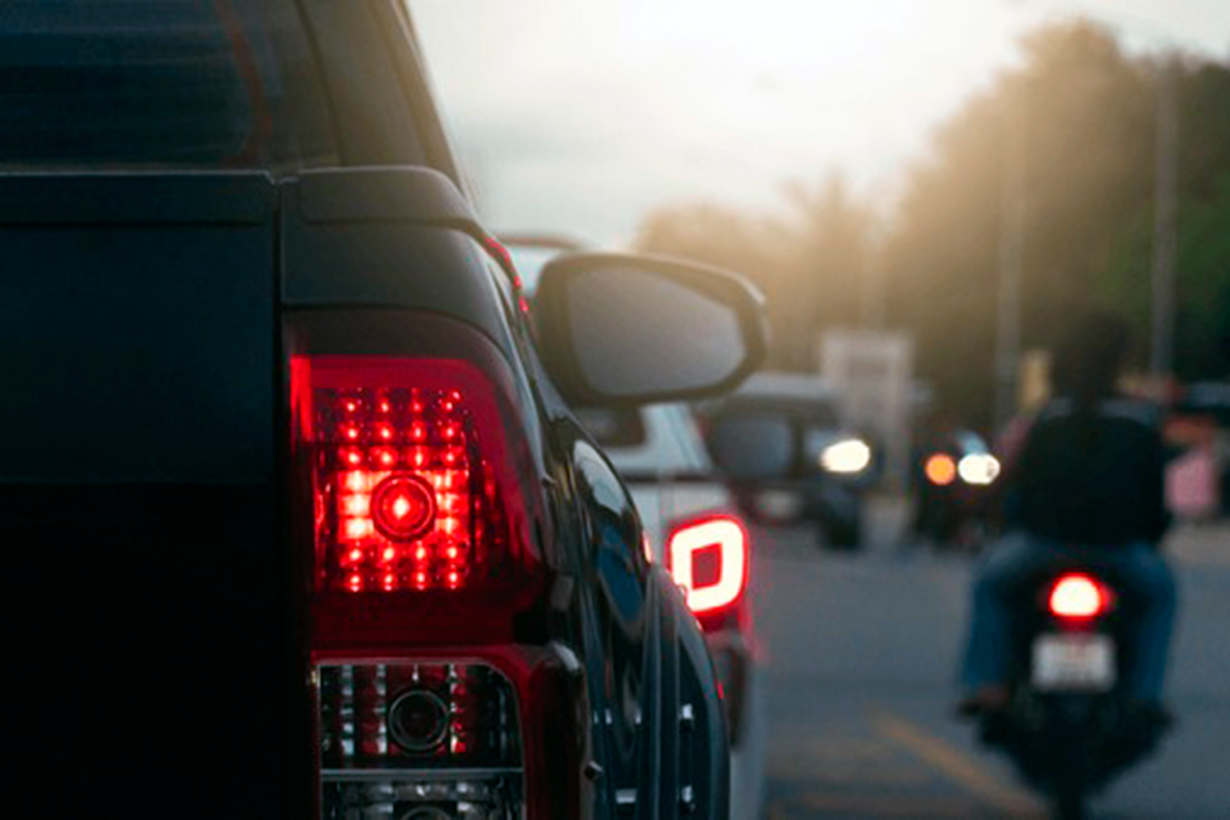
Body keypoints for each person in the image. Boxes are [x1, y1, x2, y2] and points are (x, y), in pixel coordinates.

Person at [958, 311, 1177, 721]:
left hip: (1042, 544)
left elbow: (1006, 480)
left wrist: (976, 507)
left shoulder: (1045, 415)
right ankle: (1145, 694)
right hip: (1121, 549)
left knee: (989, 584)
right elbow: (1156, 492)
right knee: (1162, 595)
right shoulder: (1142, 419)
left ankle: (988, 685)